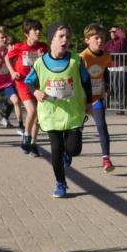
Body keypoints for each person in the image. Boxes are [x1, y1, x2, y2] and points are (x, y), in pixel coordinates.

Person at [25, 22, 93, 199]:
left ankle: (68, 153)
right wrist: (36, 92)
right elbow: (29, 82)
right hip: (51, 114)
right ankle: (60, 183)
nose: (65, 40)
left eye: (68, 37)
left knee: (74, 149)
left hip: (72, 112)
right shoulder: (40, 63)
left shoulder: (76, 60)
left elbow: (86, 82)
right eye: (61, 36)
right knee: (56, 149)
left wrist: (89, 102)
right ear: (51, 39)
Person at [6, 19, 48, 157]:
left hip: (38, 84)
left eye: (39, 29)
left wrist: (43, 58)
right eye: (34, 30)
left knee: (38, 117)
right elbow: (7, 58)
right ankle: (26, 135)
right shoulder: (19, 47)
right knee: (32, 110)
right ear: (26, 33)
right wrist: (12, 72)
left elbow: (48, 62)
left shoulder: (44, 47)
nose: (38, 32)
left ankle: (34, 144)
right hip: (23, 83)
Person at [80, 23, 115, 173]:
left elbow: (105, 70)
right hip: (81, 99)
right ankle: (67, 151)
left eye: (102, 38)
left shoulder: (106, 55)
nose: (100, 41)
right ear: (87, 40)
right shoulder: (82, 57)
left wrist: (107, 85)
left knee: (102, 126)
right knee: (76, 130)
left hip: (96, 98)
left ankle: (106, 159)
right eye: (96, 38)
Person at [105, 25, 127, 114]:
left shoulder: (122, 41)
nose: (112, 33)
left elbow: (123, 36)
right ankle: (105, 105)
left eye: (114, 32)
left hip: (120, 69)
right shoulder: (109, 43)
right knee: (107, 87)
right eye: (111, 32)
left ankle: (121, 108)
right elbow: (103, 51)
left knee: (120, 89)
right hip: (109, 68)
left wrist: (117, 30)